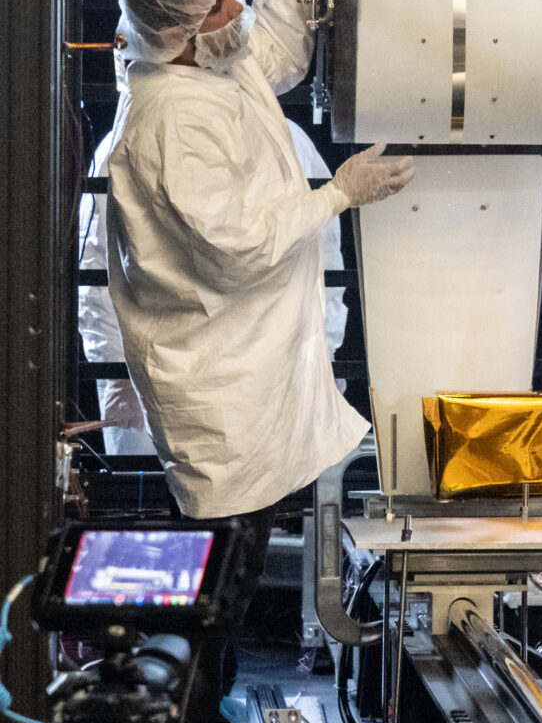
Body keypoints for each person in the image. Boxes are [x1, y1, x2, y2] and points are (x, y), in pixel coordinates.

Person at [100, 0, 415, 521]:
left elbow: (266, 52)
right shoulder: (168, 122)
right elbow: (238, 246)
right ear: (174, 31)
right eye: (219, 6)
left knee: (255, 535)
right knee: (231, 552)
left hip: (252, 363)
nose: (236, 9)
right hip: (220, 387)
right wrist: (338, 195)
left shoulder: (195, 62)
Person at [79, 95, 350, 458]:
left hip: (263, 374)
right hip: (154, 375)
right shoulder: (126, 141)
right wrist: (116, 373)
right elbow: (98, 268)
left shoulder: (287, 144)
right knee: (148, 503)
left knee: (257, 500)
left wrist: (321, 357)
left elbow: (322, 264)